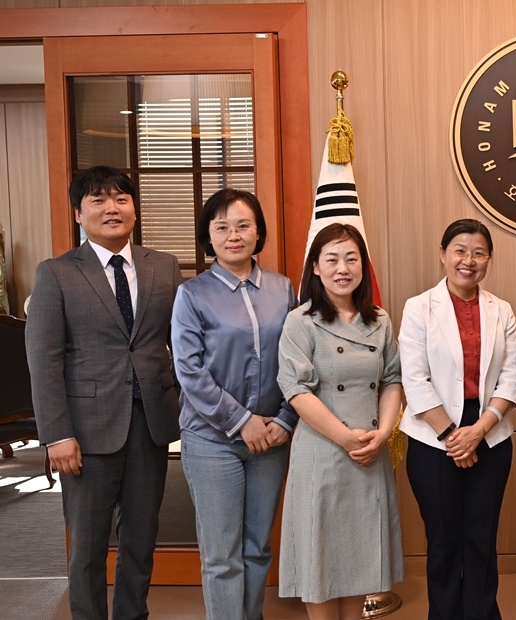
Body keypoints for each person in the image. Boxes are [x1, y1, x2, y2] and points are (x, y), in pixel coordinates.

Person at [27, 166, 184, 619]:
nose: (111, 208)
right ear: (79, 212)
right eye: (98, 200)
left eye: (121, 198)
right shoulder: (56, 273)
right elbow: (44, 359)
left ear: (134, 208)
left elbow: (182, 341)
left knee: (140, 539)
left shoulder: (163, 266)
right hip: (85, 433)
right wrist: (56, 435)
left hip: (151, 424)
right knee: (89, 547)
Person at [172, 189, 297, 620]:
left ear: (258, 230)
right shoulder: (192, 295)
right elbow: (189, 373)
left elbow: (300, 360)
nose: (234, 235)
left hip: (272, 438)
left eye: (243, 225)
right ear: (208, 235)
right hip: (212, 440)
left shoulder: (283, 289)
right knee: (222, 555)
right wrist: (242, 421)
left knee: (257, 547)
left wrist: (285, 418)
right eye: (222, 227)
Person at [276, 223, 404, 620]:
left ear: (363, 266)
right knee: (321, 554)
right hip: (324, 450)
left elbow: (393, 379)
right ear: (315, 267)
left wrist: (383, 433)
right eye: (331, 259)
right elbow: (295, 390)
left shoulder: (379, 320)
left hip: (371, 449)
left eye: (351, 258)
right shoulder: (301, 321)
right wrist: (347, 438)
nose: (342, 268)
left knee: (359, 556)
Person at [399, 218, 516, 620]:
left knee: (482, 537)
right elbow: (413, 380)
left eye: (479, 252)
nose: (469, 260)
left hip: (490, 431)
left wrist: (479, 432)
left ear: (489, 259)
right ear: (443, 254)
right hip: (433, 435)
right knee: (445, 540)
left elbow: (511, 378)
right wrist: (454, 436)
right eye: (460, 250)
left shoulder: (501, 310)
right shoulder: (418, 308)